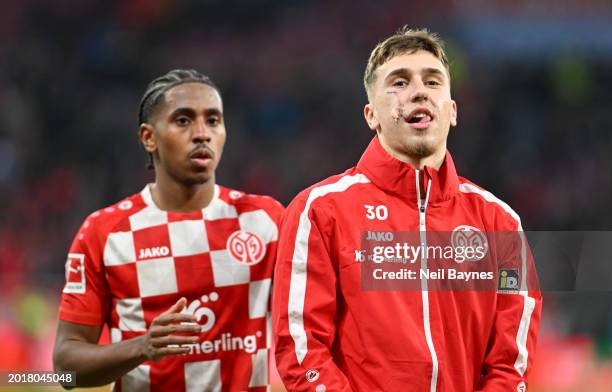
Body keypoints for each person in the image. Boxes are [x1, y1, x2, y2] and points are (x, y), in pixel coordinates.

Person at [273, 27, 542, 391]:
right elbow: (302, 347)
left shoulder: (501, 224)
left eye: (433, 82)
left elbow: (511, 362)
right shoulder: (320, 211)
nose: (418, 91)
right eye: (399, 82)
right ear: (371, 115)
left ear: (452, 110)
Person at [53, 69, 284, 391]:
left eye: (213, 120)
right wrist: (143, 346)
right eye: (183, 120)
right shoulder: (105, 233)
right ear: (149, 137)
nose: (202, 133)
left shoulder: (265, 220)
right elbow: (63, 369)